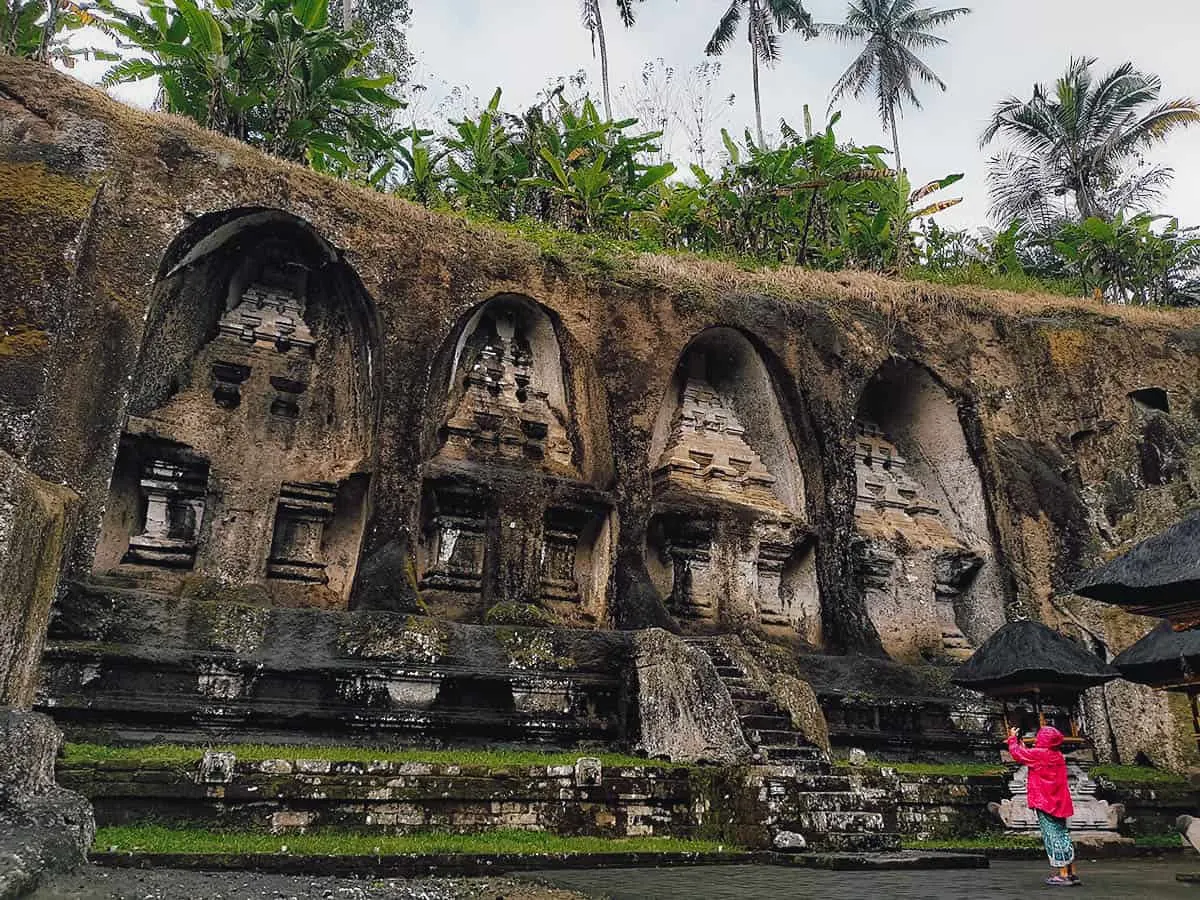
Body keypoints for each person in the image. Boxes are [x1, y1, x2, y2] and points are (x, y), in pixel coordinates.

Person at [1007, 725, 1079, 886]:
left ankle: (1063, 875)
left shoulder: (1040, 754)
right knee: (1063, 834)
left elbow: (1018, 755)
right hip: (1059, 801)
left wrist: (1012, 738)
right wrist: (1023, 746)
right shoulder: (1057, 755)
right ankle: (1072, 872)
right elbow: (1029, 756)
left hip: (1045, 801)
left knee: (1053, 836)